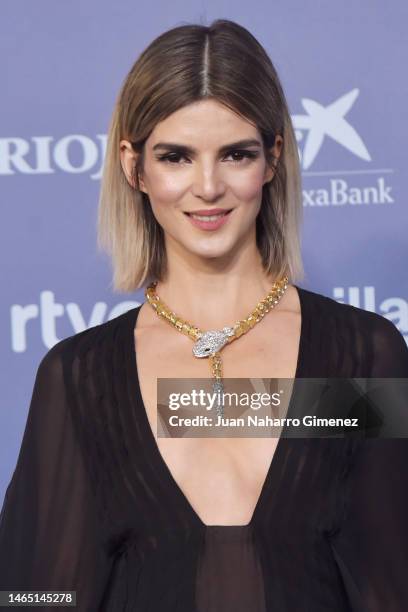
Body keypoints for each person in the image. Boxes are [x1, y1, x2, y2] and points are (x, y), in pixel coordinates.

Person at [1, 18, 408, 612]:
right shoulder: (81, 378)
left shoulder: (362, 356)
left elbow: (393, 580)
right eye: (177, 157)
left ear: (272, 159)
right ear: (133, 166)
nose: (208, 186)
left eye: (236, 154)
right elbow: (36, 597)